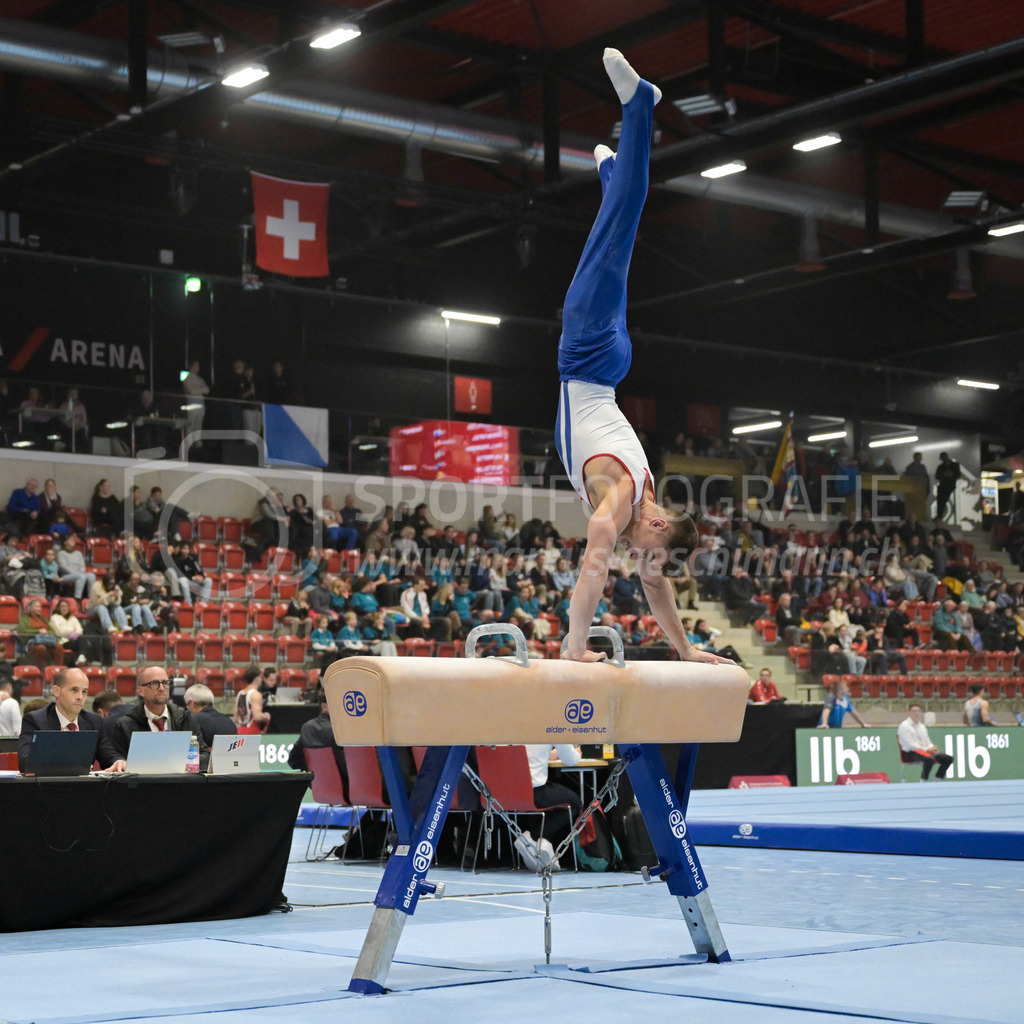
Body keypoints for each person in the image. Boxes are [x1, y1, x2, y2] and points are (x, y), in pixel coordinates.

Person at [552, 50, 724, 668]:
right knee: (620, 230)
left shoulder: (646, 509)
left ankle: (609, 178)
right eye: (647, 556)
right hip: (589, 358)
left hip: (607, 367)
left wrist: (688, 652)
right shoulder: (625, 499)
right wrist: (575, 646)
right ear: (655, 529)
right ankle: (640, 108)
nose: (641, 568)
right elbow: (601, 540)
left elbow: (656, 586)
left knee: (616, 238)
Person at [106, 666, 209, 771]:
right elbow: (118, 759)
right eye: (154, 683)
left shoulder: (185, 718)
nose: (161, 688)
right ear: (141, 691)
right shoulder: (125, 724)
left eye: (165, 683)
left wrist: (181, 762)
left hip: (180, 784)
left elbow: (205, 755)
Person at [17, 667, 106, 771]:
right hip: (50, 786)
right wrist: (71, 764)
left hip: (84, 786)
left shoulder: (94, 721)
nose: (80, 697)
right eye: (74, 690)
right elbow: (25, 763)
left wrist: (118, 762)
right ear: (56, 691)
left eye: (84, 691)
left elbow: (108, 754)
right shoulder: (35, 721)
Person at [287, 688, 348, 801]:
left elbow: (293, 760)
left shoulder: (307, 728)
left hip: (320, 789)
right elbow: (346, 766)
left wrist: (314, 778)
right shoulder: (339, 730)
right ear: (324, 706)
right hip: (349, 790)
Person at [524, 741, 582, 858]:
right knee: (575, 803)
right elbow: (570, 760)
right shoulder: (551, 727)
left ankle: (537, 842)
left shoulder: (508, 728)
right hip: (535, 792)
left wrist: (550, 753)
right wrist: (577, 753)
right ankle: (533, 837)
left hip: (502, 794)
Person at [897, 703, 954, 781]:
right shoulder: (904, 726)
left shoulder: (922, 726)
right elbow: (909, 744)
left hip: (925, 751)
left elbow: (927, 741)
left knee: (948, 759)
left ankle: (937, 779)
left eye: (918, 711)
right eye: (913, 711)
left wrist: (932, 747)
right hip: (910, 753)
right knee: (930, 759)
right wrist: (926, 749)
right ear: (909, 713)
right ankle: (923, 780)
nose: (916, 713)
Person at [55, 535, 96, 601]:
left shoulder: (78, 553)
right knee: (81, 577)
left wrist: (81, 572)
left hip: (79, 574)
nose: (73, 541)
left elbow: (82, 566)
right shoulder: (61, 553)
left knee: (91, 576)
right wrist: (77, 573)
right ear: (65, 542)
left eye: (73, 539)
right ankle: (78, 599)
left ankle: (90, 597)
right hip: (66, 576)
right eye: (70, 539)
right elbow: (63, 566)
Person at [234, 667, 270, 734]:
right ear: (256, 678)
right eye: (260, 677)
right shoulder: (256, 694)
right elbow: (257, 717)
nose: (261, 680)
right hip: (252, 731)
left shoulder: (240, 693)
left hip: (240, 731)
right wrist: (266, 716)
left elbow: (236, 718)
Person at [934, 451, 961, 522]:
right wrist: (944, 475)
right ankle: (939, 516)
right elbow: (937, 476)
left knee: (942, 501)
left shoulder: (954, 465)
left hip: (949, 486)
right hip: (943, 486)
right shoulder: (941, 467)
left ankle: (939, 516)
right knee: (940, 502)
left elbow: (958, 474)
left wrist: (951, 475)